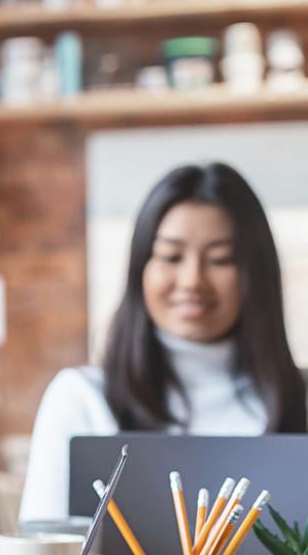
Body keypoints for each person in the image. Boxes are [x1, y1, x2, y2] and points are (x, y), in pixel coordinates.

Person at [20, 161, 306, 522]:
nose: (192, 281)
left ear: (256, 274)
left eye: (221, 259)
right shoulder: (81, 398)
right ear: (141, 267)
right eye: (171, 256)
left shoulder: (300, 398)